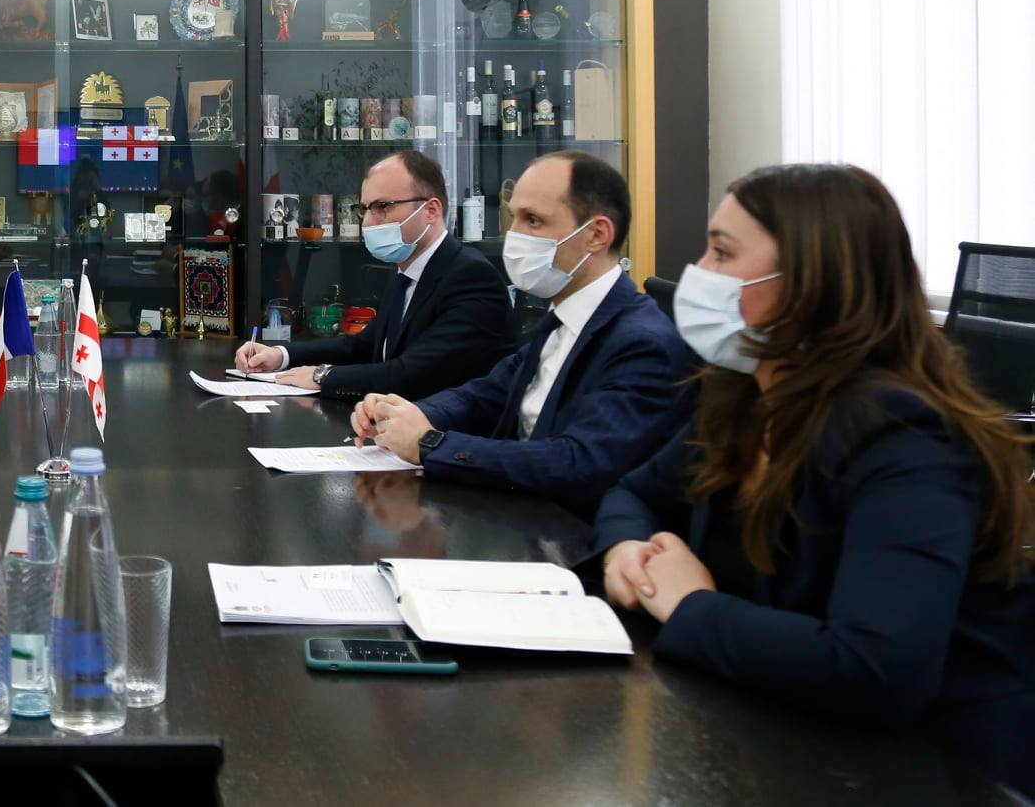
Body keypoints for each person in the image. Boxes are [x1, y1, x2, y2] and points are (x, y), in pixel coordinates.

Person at [596, 164, 1034, 794]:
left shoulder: (904, 436)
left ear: (811, 281)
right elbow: (634, 492)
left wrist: (690, 605)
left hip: (931, 771)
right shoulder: (744, 394)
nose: (697, 273)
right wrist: (626, 550)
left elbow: (875, 669)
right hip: (774, 730)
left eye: (723, 253)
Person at [350, 150, 691, 517]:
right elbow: (487, 394)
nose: (514, 236)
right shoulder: (563, 316)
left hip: (572, 534)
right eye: (514, 218)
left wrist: (429, 443)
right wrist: (404, 413)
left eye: (534, 220)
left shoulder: (642, 342)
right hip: (515, 517)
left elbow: (577, 462)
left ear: (596, 235)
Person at [234, 150, 511, 401]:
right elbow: (362, 347)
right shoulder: (406, 273)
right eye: (364, 209)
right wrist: (281, 355)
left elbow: (414, 374)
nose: (367, 222)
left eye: (382, 207)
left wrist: (322, 376)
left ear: (431, 210)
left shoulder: (470, 276)